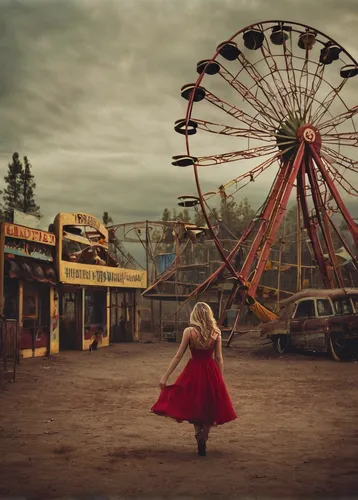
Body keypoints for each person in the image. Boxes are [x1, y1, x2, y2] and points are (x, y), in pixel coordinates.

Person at [151, 302, 237, 456]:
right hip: (211, 371)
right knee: (210, 404)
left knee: (194, 403)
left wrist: (165, 376)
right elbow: (219, 358)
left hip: (194, 370)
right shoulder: (216, 332)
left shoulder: (189, 332)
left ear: (195, 315)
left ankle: (198, 435)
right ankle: (205, 435)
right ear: (209, 315)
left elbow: (178, 356)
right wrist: (220, 377)